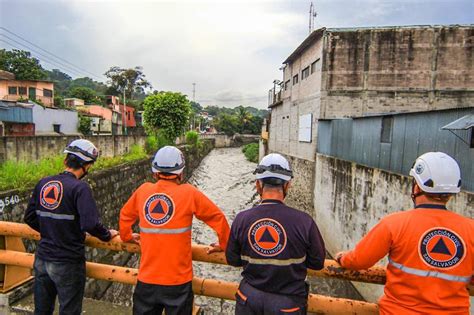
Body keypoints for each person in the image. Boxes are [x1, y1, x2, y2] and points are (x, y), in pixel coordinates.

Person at [336, 152, 474, 315]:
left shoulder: (394, 224)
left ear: (416, 186)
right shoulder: (470, 229)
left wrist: (341, 258)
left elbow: (359, 261)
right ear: (451, 193)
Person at [119, 145, 230, 315]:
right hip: (178, 282)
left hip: (147, 280)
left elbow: (125, 215)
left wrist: (126, 236)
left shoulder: (143, 191)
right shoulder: (189, 193)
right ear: (180, 172)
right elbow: (218, 218)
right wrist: (224, 244)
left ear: (155, 172)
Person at [24, 139, 118, 315]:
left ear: (66, 160)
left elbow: (29, 217)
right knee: (69, 310)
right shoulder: (80, 188)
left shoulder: (43, 183)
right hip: (68, 261)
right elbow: (90, 224)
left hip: (43, 259)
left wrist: (50, 230)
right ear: (86, 165)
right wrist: (107, 235)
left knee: (41, 310)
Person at [226, 153, 326, 315]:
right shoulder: (304, 221)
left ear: (258, 185)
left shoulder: (241, 219)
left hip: (249, 300)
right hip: (288, 304)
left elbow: (232, 259)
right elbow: (317, 262)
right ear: (287, 186)